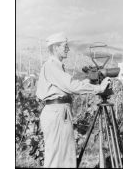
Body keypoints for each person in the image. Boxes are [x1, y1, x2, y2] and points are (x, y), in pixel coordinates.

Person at [36, 33, 111, 168]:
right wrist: (99, 88)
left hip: (60, 111)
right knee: (56, 158)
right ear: (56, 48)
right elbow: (71, 86)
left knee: (64, 156)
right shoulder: (51, 66)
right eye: (65, 46)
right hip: (57, 113)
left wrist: (88, 81)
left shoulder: (56, 66)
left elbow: (66, 87)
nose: (67, 49)